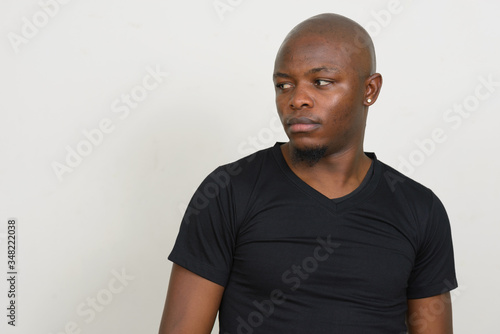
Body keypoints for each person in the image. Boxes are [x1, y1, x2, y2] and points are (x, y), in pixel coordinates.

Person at [158, 13, 457, 334]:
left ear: (369, 89)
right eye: (283, 85)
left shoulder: (419, 209)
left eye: (322, 82)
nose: (296, 99)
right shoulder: (228, 191)